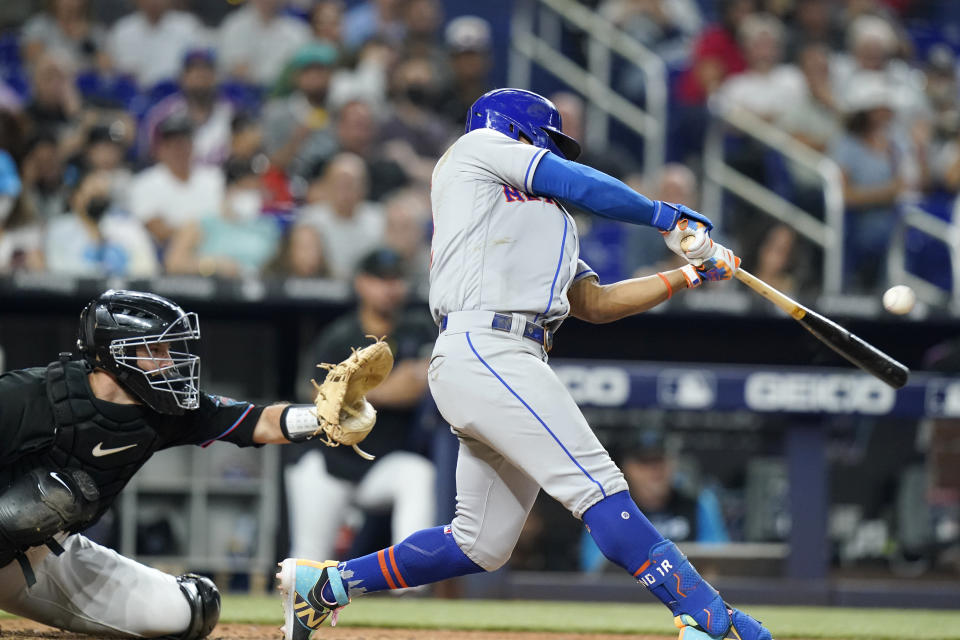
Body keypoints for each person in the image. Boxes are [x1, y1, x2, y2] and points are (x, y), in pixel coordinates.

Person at [277, 88, 773, 640]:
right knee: (599, 487)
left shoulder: (552, 223)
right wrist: (667, 217)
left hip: (505, 358)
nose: (557, 155)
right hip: (486, 346)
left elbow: (595, 303)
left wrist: (687, 275)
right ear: (521, 130)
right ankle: (706, 617)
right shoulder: (476, 150)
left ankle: (326, 586)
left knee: (479, 543)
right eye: (551, 143)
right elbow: (574, 182)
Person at [0, 289, 374, 638]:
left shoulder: (166, 410)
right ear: (115, 354)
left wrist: (324, 417)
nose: (169, 363)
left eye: (169, 350)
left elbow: (256, 422)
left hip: (46, 556)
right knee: (32, 504)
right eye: (156, 350)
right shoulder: (33, 395)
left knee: (192, 611)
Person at [285, 247, 436, 560]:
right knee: (310, 558)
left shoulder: (417, 328)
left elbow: (418, 386)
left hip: (380, 463)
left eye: (395, 280)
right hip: (327, 463)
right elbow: (323, 398)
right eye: (380, 280)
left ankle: (411, 589)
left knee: (418, 475)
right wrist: (392, 383)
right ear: (361, 284)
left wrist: (356, 388)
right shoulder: (339, 336)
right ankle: (296, 607)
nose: (389, 288)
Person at [581, 428, 729, 573]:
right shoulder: (609, 511)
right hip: (628, 595)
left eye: (660, 459)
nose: (655, 469)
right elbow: (595, 569)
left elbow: (718, 564)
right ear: (627, 468)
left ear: (673, 462)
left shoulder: (698, 503)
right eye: (645, 462)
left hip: (688, 592)